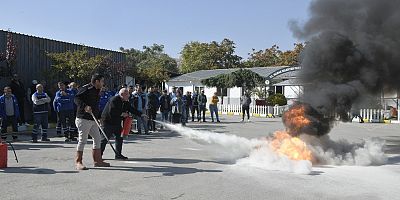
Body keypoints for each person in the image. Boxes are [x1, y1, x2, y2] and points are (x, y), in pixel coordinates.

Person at [74, 74, 110, 170]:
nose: (103, 83)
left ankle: (97, 161)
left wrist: (99, 116)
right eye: (102, 81)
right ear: (97, 81)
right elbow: (76, 99)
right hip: (83, 118)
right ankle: (78, 162)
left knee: (97, 138)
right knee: (83, 140)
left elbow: (95, 105)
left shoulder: (98, 90)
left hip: (93, 119)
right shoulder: (86, 88)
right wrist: (85, 106)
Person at [100, 88, 142, 160]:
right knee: (104, 139)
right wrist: (122, 114)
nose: (128, 96)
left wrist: (141, 114)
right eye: (127, 94)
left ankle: (118, 155)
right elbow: (111, 111)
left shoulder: (125, 102)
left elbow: (131, 109)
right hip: (108, 122)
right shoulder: (114, 100)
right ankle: (99, 155)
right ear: (122, 94)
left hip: (117, 122)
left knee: (119, 138)